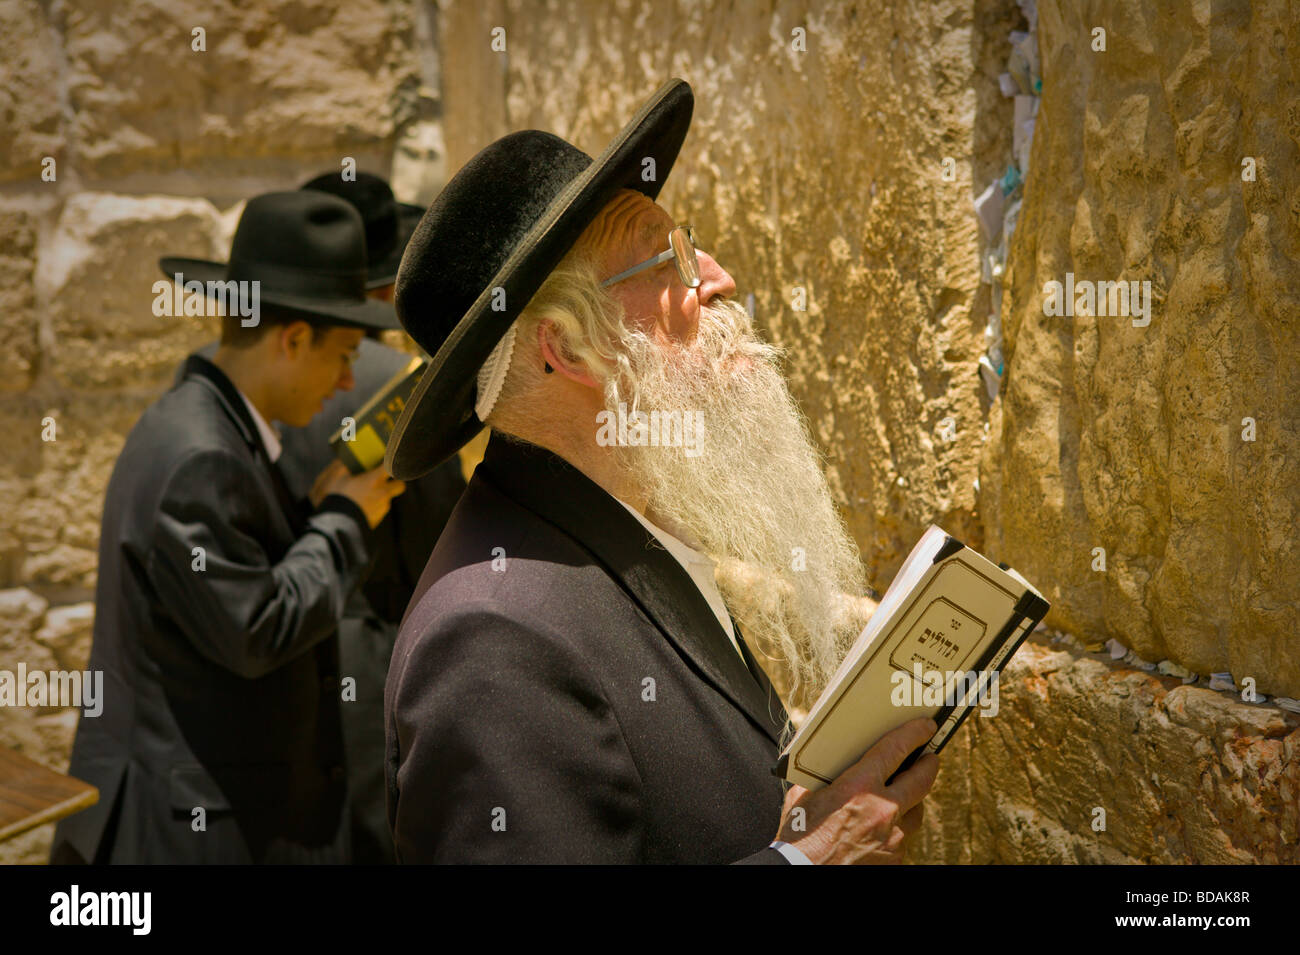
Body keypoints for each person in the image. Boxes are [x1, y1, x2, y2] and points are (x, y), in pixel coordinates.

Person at [382, 78, 940, 864]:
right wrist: (812, 858)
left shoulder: (623, 518)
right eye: (665, 259)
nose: (715, 276)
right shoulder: (490, 639)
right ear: (569, 350)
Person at [50, 191, 406, 864]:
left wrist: (314, 513)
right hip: (177, 835)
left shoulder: (214, 425)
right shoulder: (202, 455)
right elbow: (255, 627)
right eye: (344, 355)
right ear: (292, 338)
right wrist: (347, 518)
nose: (347, 381)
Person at [184, 172, 466, 863]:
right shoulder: (397, 387)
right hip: (371, 672)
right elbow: (445, 548)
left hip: (277, 696)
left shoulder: (207, 379)